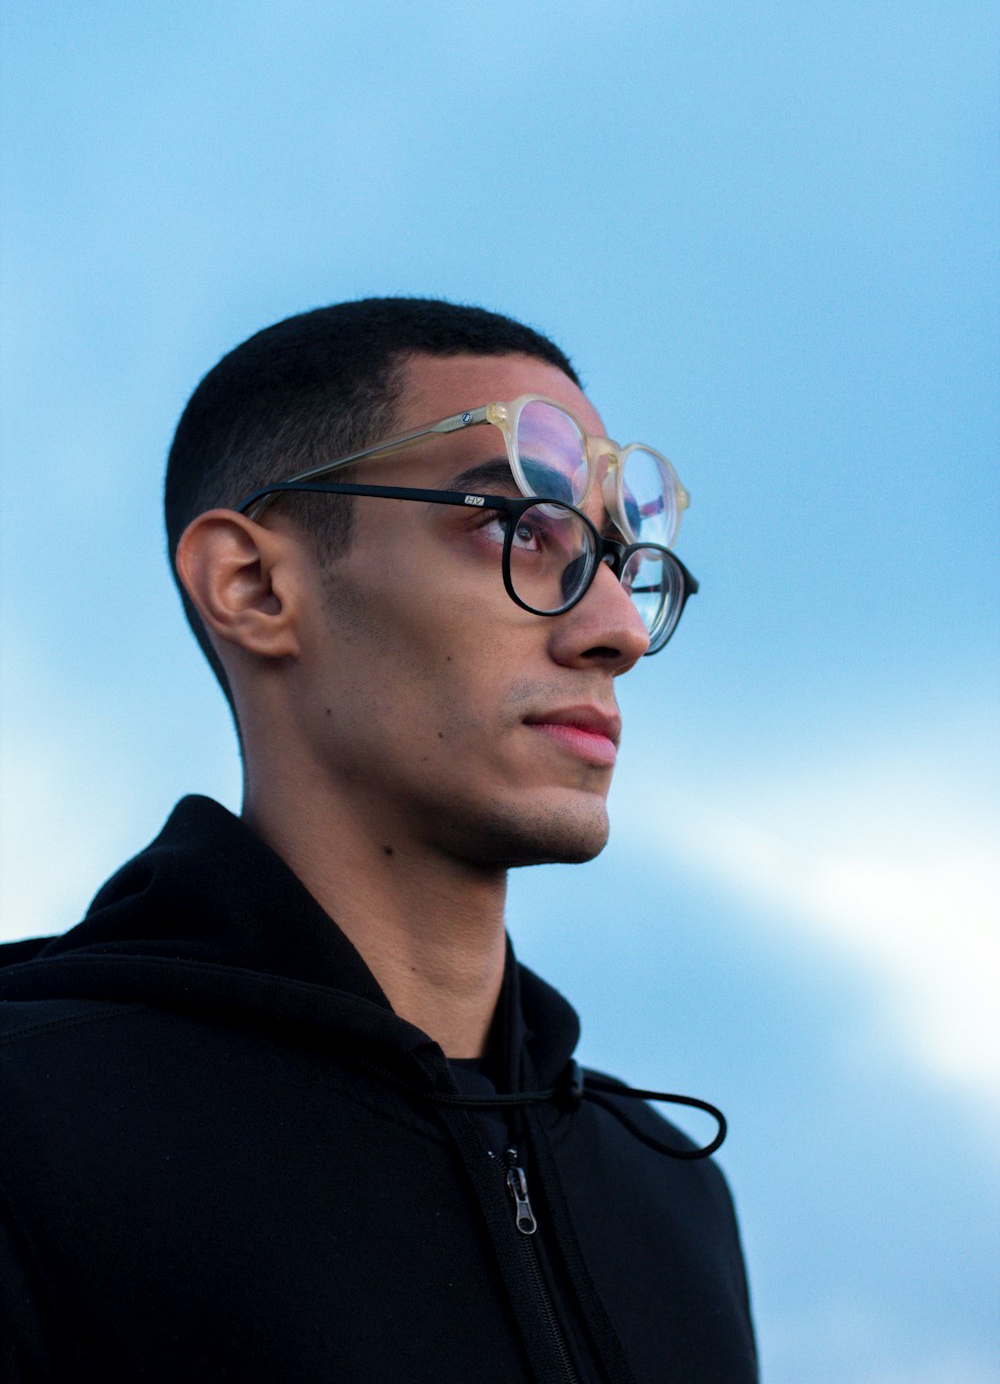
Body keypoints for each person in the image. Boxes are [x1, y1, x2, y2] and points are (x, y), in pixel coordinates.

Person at [0, 298, 757, 1382]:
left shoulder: (670, 1193)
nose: (618, 631)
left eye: (618, 556)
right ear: (254, 585)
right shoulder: (32, 1123)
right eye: (516, 528)